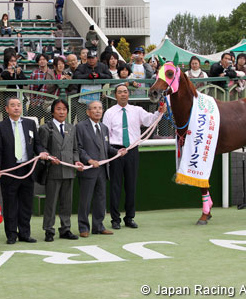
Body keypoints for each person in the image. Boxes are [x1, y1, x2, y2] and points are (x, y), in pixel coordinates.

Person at [103, 84, 165, 230]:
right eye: (120, 92)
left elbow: (150, 120)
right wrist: (113, 151)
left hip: (132, 150)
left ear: (128, 94)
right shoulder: (109, 113)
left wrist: (159, 112)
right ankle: (115, 219)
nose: (123, 94)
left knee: (131, 185)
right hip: (116, 151)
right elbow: (105, 134)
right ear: (115, 95)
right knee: (115, 186)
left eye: (125, 92)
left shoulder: (137, 110)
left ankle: (129, 218)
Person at [0, 97, 49, 244]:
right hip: (9, 170)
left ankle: (25, 233)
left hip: (27, 169)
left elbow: (37, 144)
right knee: (10, 204)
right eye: (12, 105)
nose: (16, 108)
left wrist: (42, 152)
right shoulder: (0, 127)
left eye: (18, 105)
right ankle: (11, 235)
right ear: (6, 109)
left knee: (26, 204)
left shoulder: (30, 124)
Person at [76, 101, 126, 237]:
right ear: (87, 112)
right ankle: (83, 228)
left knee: (101, 199)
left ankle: (98, 226)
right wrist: (89, 160)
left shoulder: (104, 128)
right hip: (88, 169)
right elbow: (78, 148)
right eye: (94, 108)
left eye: (100, 108)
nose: (98, 111)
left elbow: (106, 147)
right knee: (85, 200)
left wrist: (117, 151)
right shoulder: (80, 127)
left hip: (103, 170)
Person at [38, 100, 83, 242]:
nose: (62, 112)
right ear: (52, 112)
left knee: (67, 202)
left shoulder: (72, 128)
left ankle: (65, 229)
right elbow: (42, 148)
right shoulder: (46, 128)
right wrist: (50, 157)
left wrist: (76, 161)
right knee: (51, 202)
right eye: (58, 109)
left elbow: (75, 149)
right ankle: (49, 230)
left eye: (64, 109)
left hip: (69, 170)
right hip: (53, 171)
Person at [28, 53, 57, 124]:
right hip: (37, 102)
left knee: (49, 124)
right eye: (40, 60)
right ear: (38, 62)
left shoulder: (52, 72)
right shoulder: (34, 73)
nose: (42, 61)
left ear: (47, 61)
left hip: (49, 102)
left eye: (44, 59)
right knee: (34, 123)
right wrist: (32, 101)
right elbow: (31, 89)